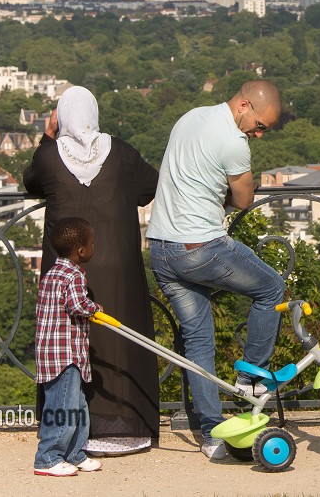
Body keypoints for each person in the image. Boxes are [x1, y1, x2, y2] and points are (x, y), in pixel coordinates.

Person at [146, 80, 286, 460]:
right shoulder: (234, 142)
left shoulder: (190, 117)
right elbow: (243, 199)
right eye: (260, 126)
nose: (258, 135)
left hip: (160, 249)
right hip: (199, 248)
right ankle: (253, 378)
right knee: (271, 288)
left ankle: (211, 436)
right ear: (243, 105)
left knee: (198, 343)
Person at [24, 86, 160, 456]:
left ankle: (69, 437)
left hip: (67, 265)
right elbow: (150, 186)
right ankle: (127, 426)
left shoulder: (50, 158)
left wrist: (47, 136)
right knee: (120, 342)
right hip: (117, 263)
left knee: (67, 347)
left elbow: (30, 181)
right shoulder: (123, 154)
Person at [33, 217, 103, 477]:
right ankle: (48, 457)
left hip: (54, 351)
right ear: (81, 251)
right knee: (63, 406)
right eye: (92, 243)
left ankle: (75, 452)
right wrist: (95, 309)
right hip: (65, 354)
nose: (94, 248)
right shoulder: (73, 275)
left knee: (77, 404)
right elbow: (77, 306)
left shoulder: (52, 272)